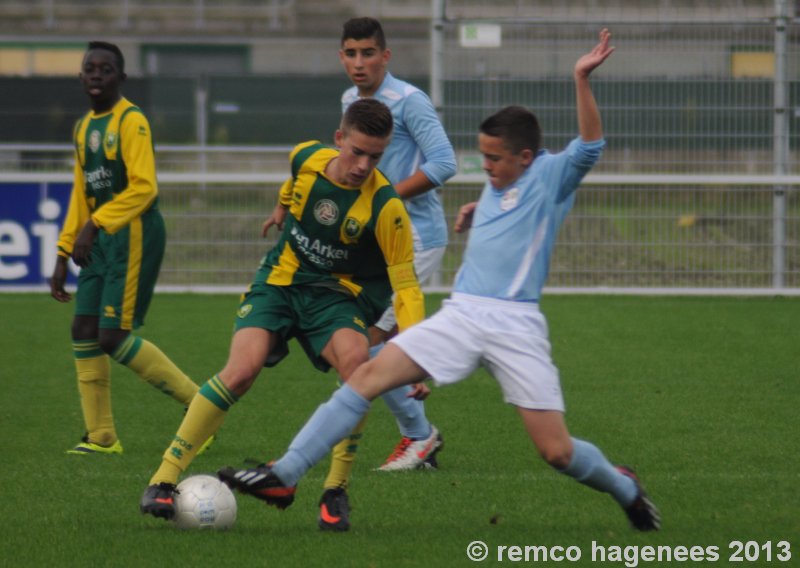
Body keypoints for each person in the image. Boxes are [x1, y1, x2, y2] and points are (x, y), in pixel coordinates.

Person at [217, 29, 662, 532]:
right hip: (463, 313)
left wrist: (580, 79)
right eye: (483, 157)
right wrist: (479, 211)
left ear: (526, 158)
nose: (486, 167)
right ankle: (286, 474)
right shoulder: (497, 187)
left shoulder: (550, 177)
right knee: (364, 374)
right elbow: (501, 213)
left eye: (495, 159)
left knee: (556, 452)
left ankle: (624, 486)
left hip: (515, 326)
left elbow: (590, 145)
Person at [140, 98, 433, 530]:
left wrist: (416, 357)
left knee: (358, 370)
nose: (363, 165)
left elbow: (406, 286)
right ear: (339, 140)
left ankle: (335, 491)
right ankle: (163, 479)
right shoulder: (306, 156)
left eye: (376, 156)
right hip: (280, 281)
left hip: (336, 297)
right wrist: (280, 209)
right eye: (356, 152)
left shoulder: (386, 207)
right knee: (240, 371)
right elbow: (292, 182)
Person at [311, 16, 457, 529]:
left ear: (386, 56)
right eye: (350, 52)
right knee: (357, 345)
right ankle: (420, 435)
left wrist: (387, 200)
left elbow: (444, 163)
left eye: (368, 53)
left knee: (370, 345)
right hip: (372, 242)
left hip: (414, 238)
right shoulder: (352, 105)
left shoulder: (410, 101)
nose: (358, 63)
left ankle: (420, 436)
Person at [50, 41, 211, 456]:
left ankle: (202, 408)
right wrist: (63, 251)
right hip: (99, 236)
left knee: (112, 336)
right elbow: (80, 193)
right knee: (84, 330)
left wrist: (95, 224)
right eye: (90, 68)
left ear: (121, 78)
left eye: (106, 69)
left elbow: (144, 187)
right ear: (81, 76)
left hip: (133, 232)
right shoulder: (84, 128)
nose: (97, 74)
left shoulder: (131, 121)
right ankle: (102, 437)